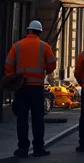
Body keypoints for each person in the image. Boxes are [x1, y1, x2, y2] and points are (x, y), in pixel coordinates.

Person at [4, 19, 56, 158]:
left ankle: (22, 149)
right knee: (38, 119)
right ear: (39, 32)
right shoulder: (44, 47)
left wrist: (13, 79)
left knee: (22, 119)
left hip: (22, 88)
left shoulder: (17, 46)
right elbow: (52, 64)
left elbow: (8, 64)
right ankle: (38, 148)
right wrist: (44, 71)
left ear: (28, 31)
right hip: (36, 88)